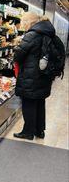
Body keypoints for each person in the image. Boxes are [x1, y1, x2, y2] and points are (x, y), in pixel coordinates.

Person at [13, 12, 56, 140]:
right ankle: (39, 131)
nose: (22, 25)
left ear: (29, 22)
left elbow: (19, 55)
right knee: (39, 102)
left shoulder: (31, 34)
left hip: (31, 76)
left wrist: (17, 46)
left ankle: (28, 132)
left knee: (29, 103)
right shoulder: (47, 32)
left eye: (23, 22)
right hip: (43, 75)